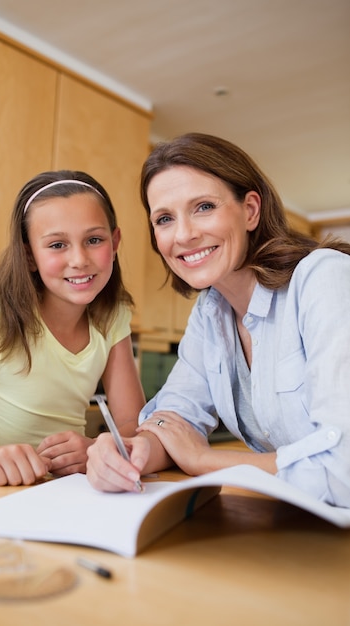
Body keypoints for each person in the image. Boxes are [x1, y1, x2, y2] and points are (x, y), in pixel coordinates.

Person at [87, 132, 350, 508]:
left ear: (250, 211)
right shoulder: (212, 312)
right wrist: (131, 450)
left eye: (204, 207)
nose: (184, 234)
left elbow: (344, 469)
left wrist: (205, 460)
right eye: (164, 218)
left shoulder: (325, 279)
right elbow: (176, 414)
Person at [0, 170, 145, 486]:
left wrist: (94, 451)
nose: (79, 259)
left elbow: (131, 426)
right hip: (11, 494)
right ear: (29, 255)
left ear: (114, 243)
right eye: (58, 244)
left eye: (94, 240)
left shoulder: (111, 317)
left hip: (72, 491)